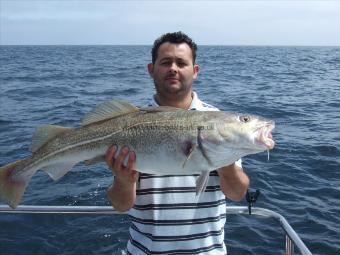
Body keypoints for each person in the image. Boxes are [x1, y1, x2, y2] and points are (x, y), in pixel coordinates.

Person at [105, 32, 249, 255]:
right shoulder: (131, 124)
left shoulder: (219, 121)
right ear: (151, 70)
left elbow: (237, 194)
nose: (173, 68)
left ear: (195, 71)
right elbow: (120, 206)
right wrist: (124, 180)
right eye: (165, 62)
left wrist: (225, 161)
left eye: (181, 63)